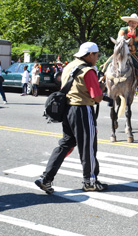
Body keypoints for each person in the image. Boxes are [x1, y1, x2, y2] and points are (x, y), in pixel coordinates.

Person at [35, 42, 108, 194]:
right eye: (96, 55)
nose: (97, 58)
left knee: (65, 145)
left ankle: (46, 179)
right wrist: (102, 87)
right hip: (82, 109)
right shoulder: (88, 71)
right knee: (88, 146)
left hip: (68, 110)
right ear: (89, 55)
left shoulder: (69, 66)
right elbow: (98, 97)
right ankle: (90, 181)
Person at [101, 13, 138, 94]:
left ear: (137, 24)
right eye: (131, 22)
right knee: (108, 63)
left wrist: (131, 48)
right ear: (128, 22)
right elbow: (119, 40)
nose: (133, 24)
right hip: (120, 51)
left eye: (135, 23)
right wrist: (125, 46)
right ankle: (102, 80)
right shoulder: (123, 30)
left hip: (131, 53)